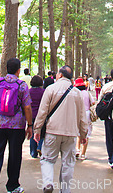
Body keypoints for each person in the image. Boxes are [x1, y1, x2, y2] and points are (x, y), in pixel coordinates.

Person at [0, 58, 33, 193]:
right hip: (16, 127)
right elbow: (27, 107)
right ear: (18, 70)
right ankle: (12, 186)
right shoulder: (21, 85)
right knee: (15, 155)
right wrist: (30, 125)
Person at [33, 65, 88, 193]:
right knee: (68, 163)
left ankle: (47, 183)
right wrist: (83, 134)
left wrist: (37, 130)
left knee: (47, 159)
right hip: (71, 134)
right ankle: (65, 190)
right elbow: (82, 117)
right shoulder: (77, 93)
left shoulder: (50, 89)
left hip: (52, 131)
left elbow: (42, 112)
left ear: (60, 75)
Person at [74, 77, 95, 160]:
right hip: (86, 114)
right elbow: (93, 102)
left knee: (78, 133)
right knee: (86, 133)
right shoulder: (87, 93)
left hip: (77, 113)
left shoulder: (75, 93)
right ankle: (83, 154)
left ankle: (77, 150)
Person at [29, 75, 45, 158]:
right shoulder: (43, 92)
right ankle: (40, 147)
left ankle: (33, 152)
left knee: (32, 133)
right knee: (42, 132)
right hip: (41, 115)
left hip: (31, 115)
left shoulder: (28, 92)